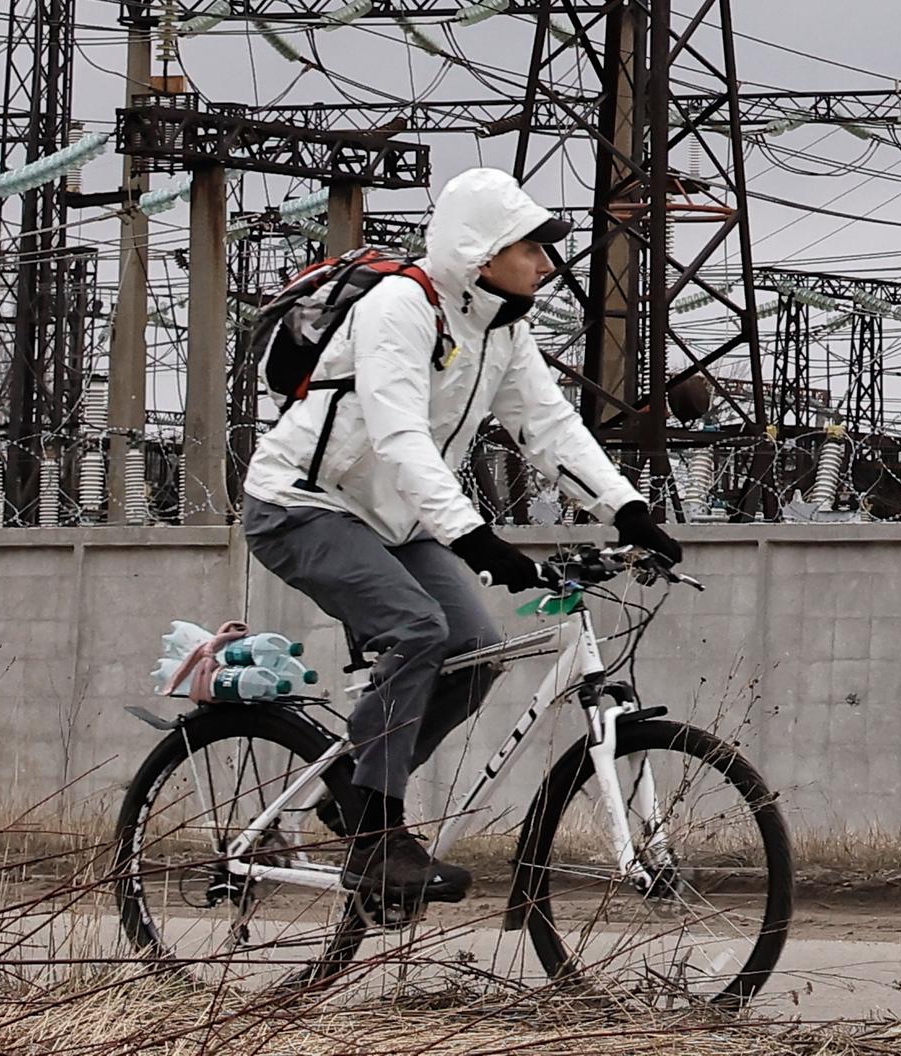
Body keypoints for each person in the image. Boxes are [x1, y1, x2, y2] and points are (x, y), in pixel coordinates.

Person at [240, 166, 683, 917]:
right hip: (301, 505)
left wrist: (628, 509)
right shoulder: (401, 307)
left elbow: (547, 427)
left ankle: (356, 792)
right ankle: (380, 831)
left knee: (472, 649)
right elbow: (398, 434)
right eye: (530, 247)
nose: (546, 263)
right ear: (481, 253)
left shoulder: (499, 328)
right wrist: (475, 538)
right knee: (418, 630)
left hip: (396, 520)